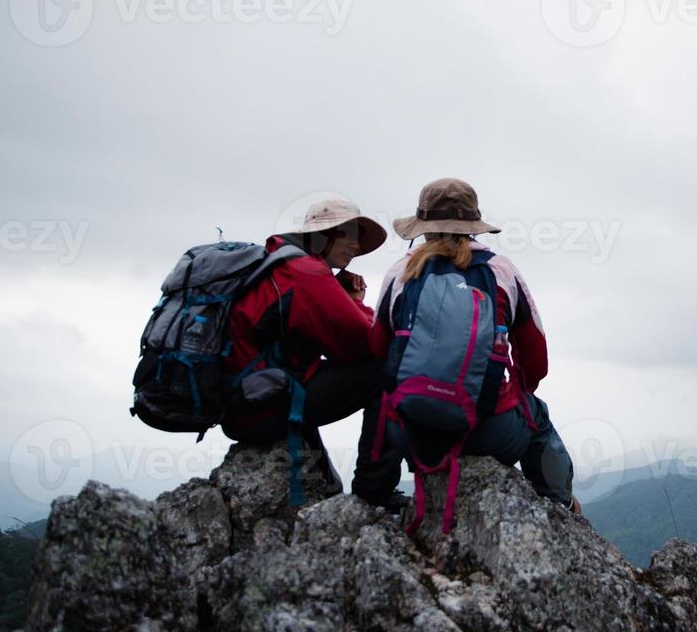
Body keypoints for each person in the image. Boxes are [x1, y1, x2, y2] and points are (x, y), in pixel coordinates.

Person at [352, 178, 579, 519]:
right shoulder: (500, 270)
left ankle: (376, 491)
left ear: (423, 227)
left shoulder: (401, 271)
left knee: (386, 399)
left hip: (411, 437)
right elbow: (535, 362)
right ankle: (559, 508)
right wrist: (503, 396)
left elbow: (379, 347)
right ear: (473, 226)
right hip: (487, 431)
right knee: (538, 415)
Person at [222, 198, 388, 496]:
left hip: (248, 402)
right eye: (347, 234)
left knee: (311, 374)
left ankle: (325, 481)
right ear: (321, 236)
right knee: (385, 371)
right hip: (262, 408)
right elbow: (364, 342)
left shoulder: (280, 264)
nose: (355, 245)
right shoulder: (307, 272)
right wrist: (355, 303)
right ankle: (374, 489)